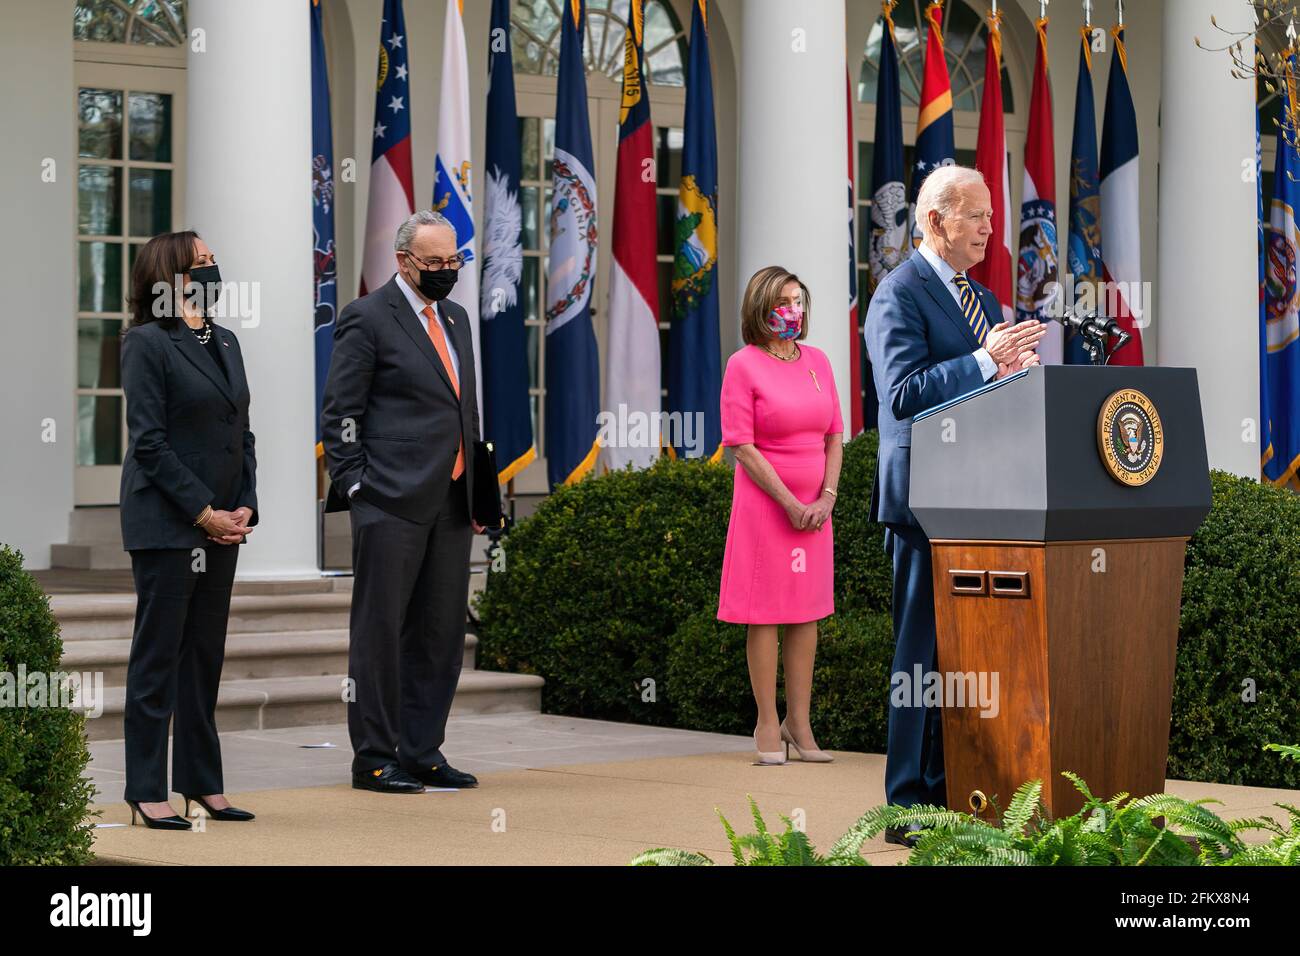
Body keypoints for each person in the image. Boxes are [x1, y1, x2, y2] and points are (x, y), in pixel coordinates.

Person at [864, 166, 1045, 846]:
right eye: (978, 217)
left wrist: (1015, 377)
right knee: (920, 659)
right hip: (921, 501)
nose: (991, 229)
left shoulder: (983, 296)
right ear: (937, 221)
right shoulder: (897, 294)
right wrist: (983, 360)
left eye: (992, 218)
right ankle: (907, 804)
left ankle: (954, 792)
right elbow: (904, 394)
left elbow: (984, 390)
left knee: (966, 657)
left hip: (982, 496)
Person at [320, 210, 486, 794]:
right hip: (388, 501)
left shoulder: (458, 319)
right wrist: (357, 487)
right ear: (403, 262)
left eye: (454, 262)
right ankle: (373, 757)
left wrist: (479, 491)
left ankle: (423, 750)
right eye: (435, 263)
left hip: (452, 500)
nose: (447, 272)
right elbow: (341, 413)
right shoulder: (366, 318)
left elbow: (461, 409)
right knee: (381, 632)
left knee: (440, 635)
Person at [119, 230, 258, 830]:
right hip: (169, 524)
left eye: (212, 261)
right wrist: (203, 512)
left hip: (221, 524)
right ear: (169, 274)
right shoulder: (146, 342)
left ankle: (202, 782)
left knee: (203, 658)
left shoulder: (224, 339)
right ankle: (146, 789)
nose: (212, 269)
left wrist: (244, 506)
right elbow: (148, 442)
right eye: (200, 262)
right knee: (159, 659)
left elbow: (240, 433)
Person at [718, 266, 843, 766]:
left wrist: (826, 497)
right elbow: (741, 446)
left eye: (799, 300)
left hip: (816, 508)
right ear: (761, 310)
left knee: (806, 612)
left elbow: (834, 435)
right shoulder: (743, 365)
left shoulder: (818, 361)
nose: (793, 310)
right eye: (783, 302)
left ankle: (800, 722)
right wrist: (790, 503)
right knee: (766, 613)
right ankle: (768, 721)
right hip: (767, 506)